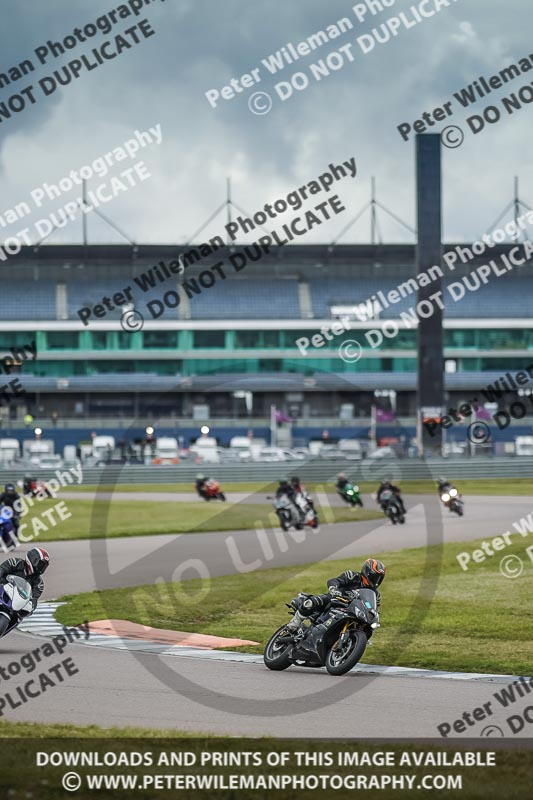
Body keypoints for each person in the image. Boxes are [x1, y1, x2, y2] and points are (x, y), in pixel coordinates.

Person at [286, 558, 386, 631]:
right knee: (312, 602)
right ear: (367, 572)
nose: (376, 581)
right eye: (374, 577)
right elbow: (334, 581)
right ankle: (294, 623)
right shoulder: (353, 576)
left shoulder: (376, 594)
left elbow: (373, 608)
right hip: (336, 600)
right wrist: (334, 589)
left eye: (379, 578)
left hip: (352, 611)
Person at [0, 547, 50, 614]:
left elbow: (34, 600)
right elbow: (2, 570)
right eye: (41, 564)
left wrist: (31, 607)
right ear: (33, 559)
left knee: (22, 615)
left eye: (44, 566)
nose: (42, 568)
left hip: (16, 605)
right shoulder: (15, 563)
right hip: (3, 592)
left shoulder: (39, 583)